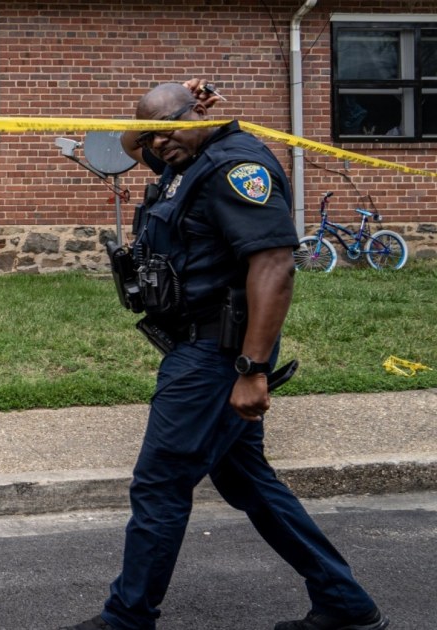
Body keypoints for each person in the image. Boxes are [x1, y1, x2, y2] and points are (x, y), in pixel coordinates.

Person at [60, 83, 388, 630]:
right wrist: (163, 119)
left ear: (201, 116)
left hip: (218, 353)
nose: (159, 143)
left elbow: (274, 268)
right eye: (154, 134)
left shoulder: (236, 168)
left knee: (160, 482)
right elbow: (129, 142)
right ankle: (345, 603)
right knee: (246, 480)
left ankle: (126, 618)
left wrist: (252, 370)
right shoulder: (182, 160)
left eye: (169, 129)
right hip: (197, 345)